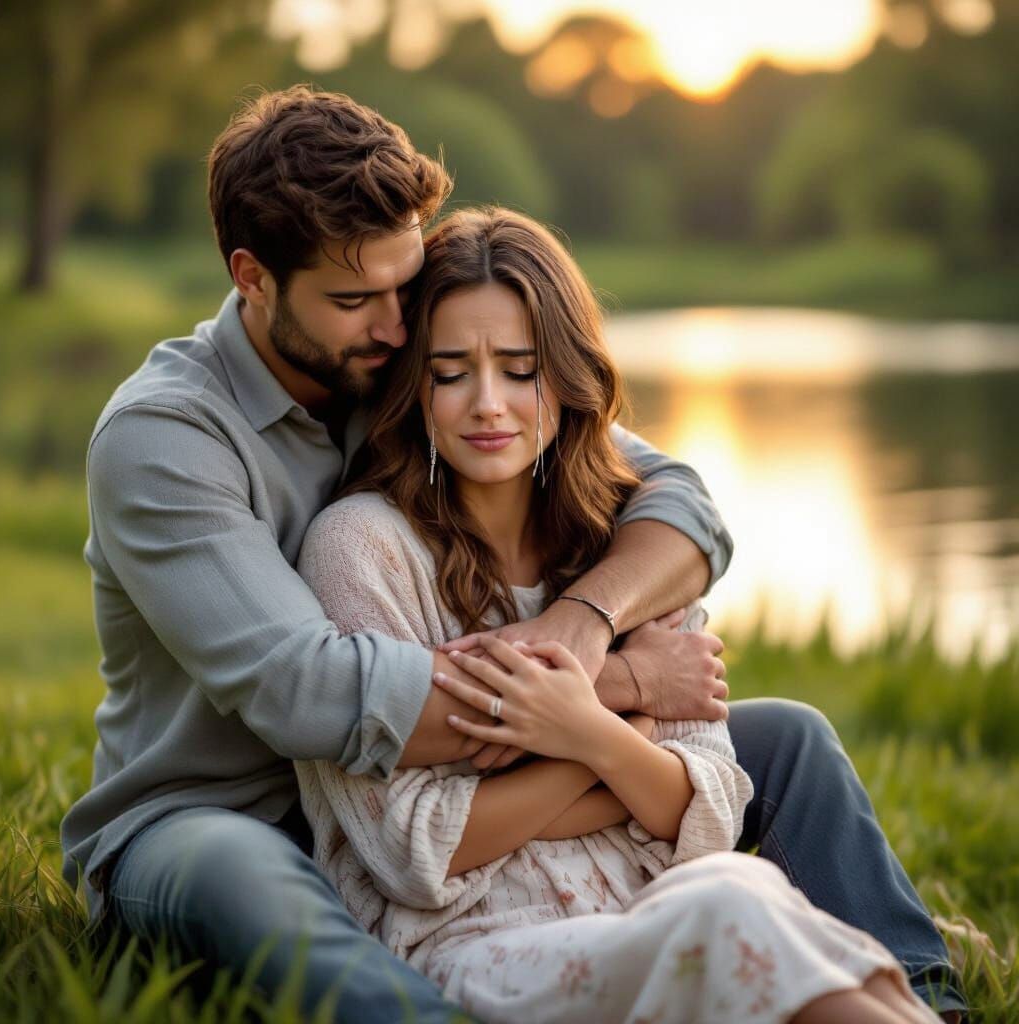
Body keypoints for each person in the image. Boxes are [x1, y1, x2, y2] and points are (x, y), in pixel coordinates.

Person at [60, 86, 965, 1021]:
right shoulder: (166, 438)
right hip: (228, 814)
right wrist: (614, 690)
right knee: (254, 882)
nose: (396, 324)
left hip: (447, 780)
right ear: (253, 278)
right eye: (354, 299)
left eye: (406, 285)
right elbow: (311, 693)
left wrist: (584, 619)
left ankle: (927, 994)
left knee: (786, 741)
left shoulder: (404, 366)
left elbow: (677, 504)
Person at [294, 206, 940, 1024]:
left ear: (567, 376)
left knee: (742, 884)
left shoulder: (624, 544)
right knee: (729, 909)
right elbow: (415, 848)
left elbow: (709, 804)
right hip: (477, 943)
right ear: (413, 386)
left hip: (652, 894)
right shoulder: (359, 550)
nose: (488, 404)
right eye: (451, 373)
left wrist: (581, 738)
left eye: (521, 371)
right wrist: (608, 724)